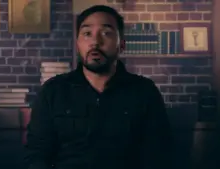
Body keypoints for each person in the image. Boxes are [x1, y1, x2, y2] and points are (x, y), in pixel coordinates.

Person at [24, 5, 173, 169]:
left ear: (121, 45)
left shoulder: (144, 91)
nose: (95, 42)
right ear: (78, 43)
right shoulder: (53, 91)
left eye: (106, 33)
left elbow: (158, 155)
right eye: (87, 34)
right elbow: (36, 154)